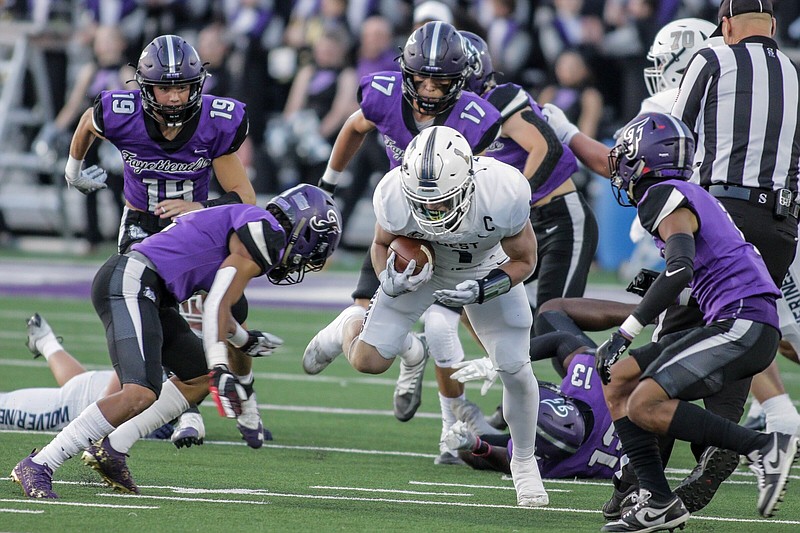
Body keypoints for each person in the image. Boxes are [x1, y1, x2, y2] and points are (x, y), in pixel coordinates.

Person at [543, 12, 800, 515]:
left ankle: (659, 479)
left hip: (723, 217)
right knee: (740, 341)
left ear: (725, 25)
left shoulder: (672, 171)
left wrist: (626, 329)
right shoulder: (790, 71)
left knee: (652, 377)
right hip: (779, 222)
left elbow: (676, 137)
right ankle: (722, 447)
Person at [10, 184, 343, 499]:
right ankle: (40, 464)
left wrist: (244, 340)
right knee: (139, 392)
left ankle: (113, 448)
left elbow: (224, 311)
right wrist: (221, 366)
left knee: (197, 377)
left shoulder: (248, 228)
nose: (309, 260)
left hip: (149, 291)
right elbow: (216, 306)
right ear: (304, 233)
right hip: (133, 282)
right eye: (315, 250)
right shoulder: (264, 235)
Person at [304, 126, 548, 507]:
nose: (432, 211)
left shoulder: (503, 191)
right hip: (422, 273)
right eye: (424, 202)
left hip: (486, 270)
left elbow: (525, 261)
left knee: (515, 369)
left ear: (468, 183)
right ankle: (347, 324)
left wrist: (485, 289)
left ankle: (524, 463)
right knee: (368, 361)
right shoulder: (394, 193)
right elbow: (382, 244)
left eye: (443, 202)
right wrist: (391, 277)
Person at [309, 21, 504, 466]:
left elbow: (486, 184)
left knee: (448, 324)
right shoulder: (382, 94)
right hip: (398, 223)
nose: (430, 90)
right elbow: (354, 128)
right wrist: (328, 185)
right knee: (368, 342)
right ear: (406, 73)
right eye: (422, 78)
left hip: (453, 229)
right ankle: (392, 346)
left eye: (441, 81)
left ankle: (448, 430)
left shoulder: (476, 120)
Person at [61, 34, 269, 448]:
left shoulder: (215, 121)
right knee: (154, 323)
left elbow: (244, 199)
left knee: (232, 316)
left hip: (202, 229)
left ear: (197, 85)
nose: (174, 97)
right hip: (141, 224)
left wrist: (198, 208)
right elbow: (87, 122)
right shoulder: (120, 113)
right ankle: (186, 415)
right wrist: (73, 170)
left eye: (181, 86)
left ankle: (245, 398)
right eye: (164, 87)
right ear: (144, 86)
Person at [596, 112, 798, 531]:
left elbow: (680, 269)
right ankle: (659, 502)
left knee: (643, 403)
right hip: (738, 317)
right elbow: (693, 280)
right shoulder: (686, 195)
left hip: (742, 321)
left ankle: (763, 446)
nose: (618, 165)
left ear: (642, 157)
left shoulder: (661, 195)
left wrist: (625, 332)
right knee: (617, 381)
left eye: (624, 156)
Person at [443, 330, 622, 480]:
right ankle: (483, 429)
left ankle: (480, 427)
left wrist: (474, 445)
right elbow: (563, 341)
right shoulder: (595, 383)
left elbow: (507, 460)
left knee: (466, 450)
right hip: (601, 441)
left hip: (560, 444)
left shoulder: (552, 465)